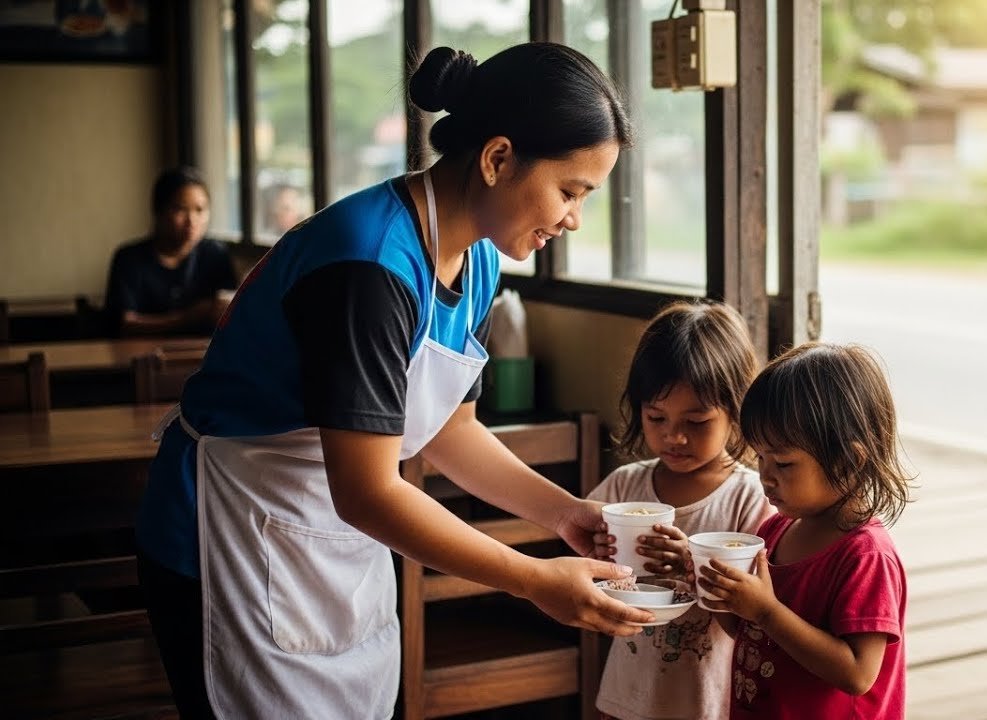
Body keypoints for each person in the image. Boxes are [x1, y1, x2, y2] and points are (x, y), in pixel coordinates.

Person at [134, 43, 652, 720]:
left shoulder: (479, 260)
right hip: (232, 532)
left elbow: (450, 431)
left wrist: (566, 514)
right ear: (497, 159)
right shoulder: (369, 264)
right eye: (570, 191)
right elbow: (369, 491)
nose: (573, 218)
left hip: (327, 535)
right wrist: (531, 579)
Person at [697, 343, 912, 720]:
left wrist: (766, 611)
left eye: (782, 463)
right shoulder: (775, 531)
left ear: (848, 460)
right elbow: (748, 632)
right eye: (760, 457)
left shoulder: (866, 556)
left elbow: (858, 673)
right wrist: (713, 586)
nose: (765, 476)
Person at [588, 301, 774, 720]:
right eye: (656, 418)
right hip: (627, 696)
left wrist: (691, 564)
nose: (674, 436)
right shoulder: (624, 488)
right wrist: (597, 556)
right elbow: (582, 573)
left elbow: (759, 620)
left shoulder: (750, 498)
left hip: (708, 701)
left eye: (696, 422)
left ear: (735, 411)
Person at [103, 166, 238, 337]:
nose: (192, 221)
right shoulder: (129, 259)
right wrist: (187, 318)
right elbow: (123, 324)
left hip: (201, 351)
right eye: (180, 209)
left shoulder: (216, 254)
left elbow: (231, 311)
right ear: (158, 211)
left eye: (200, 210)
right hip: (140, 350)